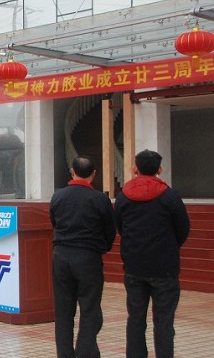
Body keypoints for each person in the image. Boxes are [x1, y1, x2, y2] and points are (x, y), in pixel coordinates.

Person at [114, 150, 190, 358]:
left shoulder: (123, 196)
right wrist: (170, 246)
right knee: (164, 320)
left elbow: (120, 227)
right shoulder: (170, 196)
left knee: (135, 318)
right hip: (164, 267)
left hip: (134, 266)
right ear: (160, 169)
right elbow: (183, 228)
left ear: (135, 169)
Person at [49, 156, 116, 358]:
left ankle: (65, 354)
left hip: (61, 256)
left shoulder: (58, 196)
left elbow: (54, 222)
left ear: (72, 171)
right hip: (88, 257)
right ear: (94, 174)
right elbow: (109, 230)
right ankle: (85, 353)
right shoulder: (100, 199)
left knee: (63, 313)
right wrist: (101, 248)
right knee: (90, 310)